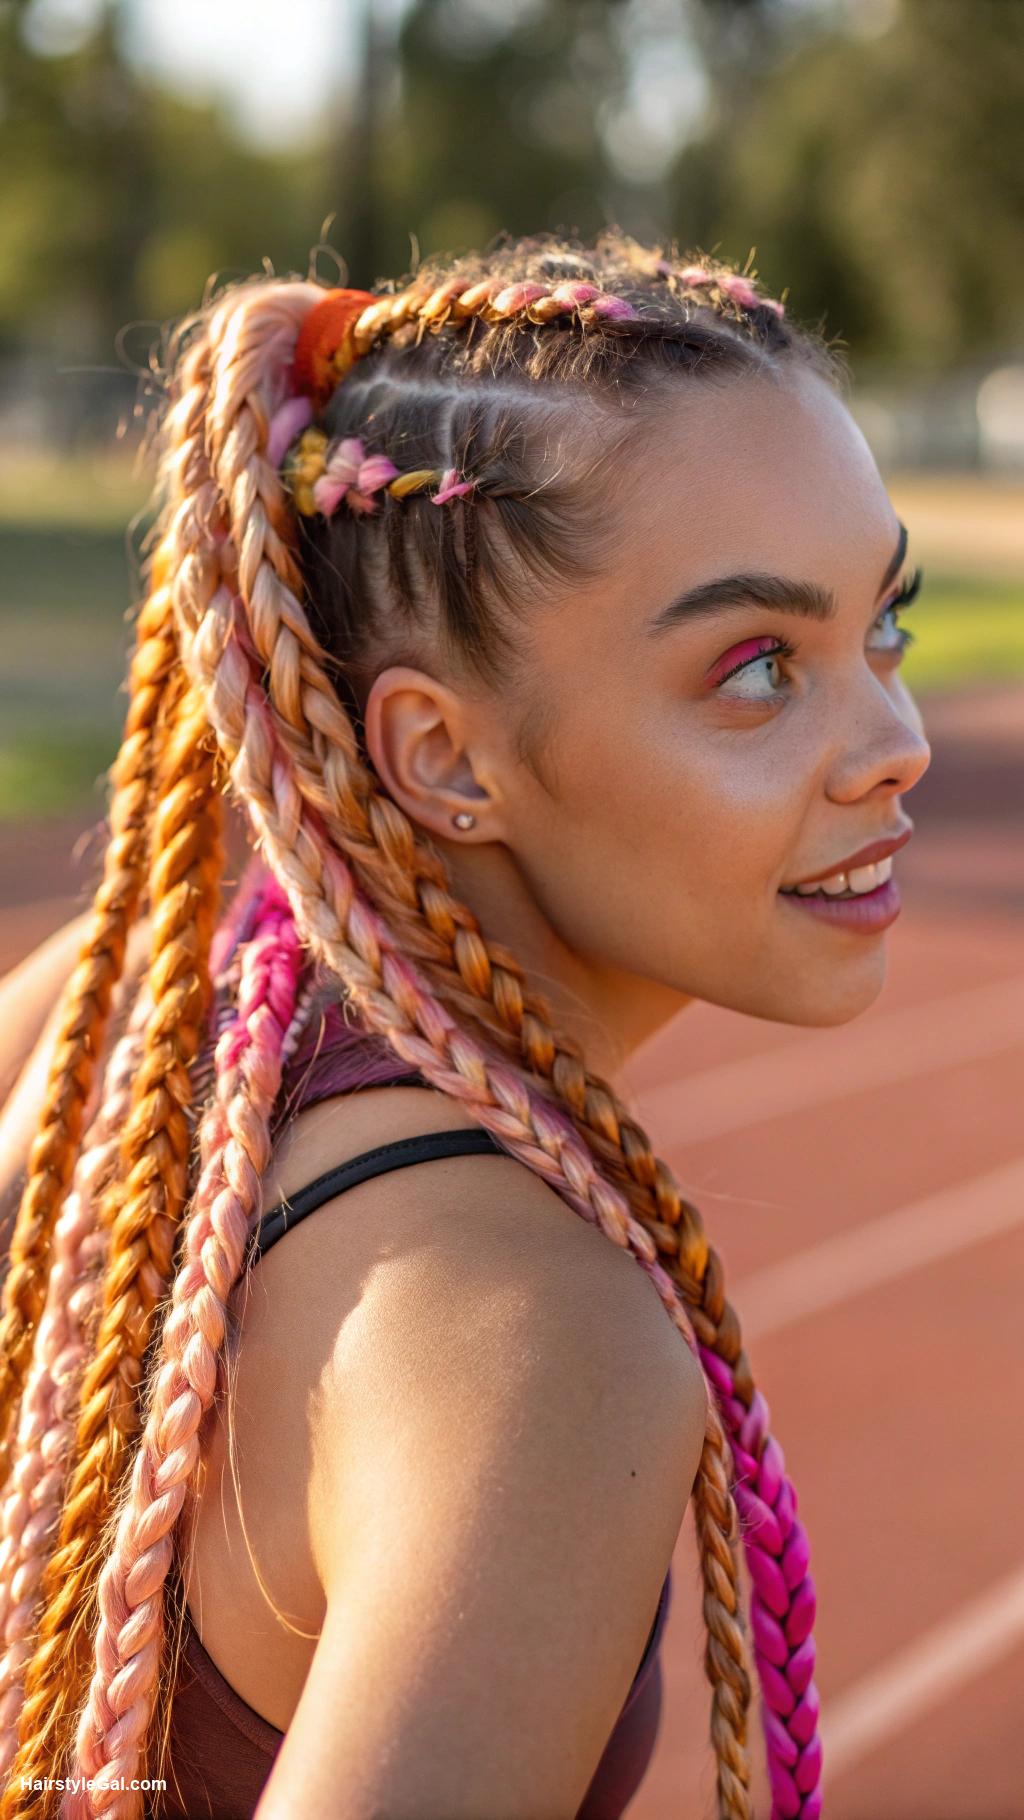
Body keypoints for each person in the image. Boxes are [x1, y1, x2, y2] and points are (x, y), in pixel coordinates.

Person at [0, 230, 931, 1820]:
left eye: (885, 624)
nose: (896, 742)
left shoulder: (107, 1009)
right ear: (441, 756)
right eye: (760, 667)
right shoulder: (542, 1345)